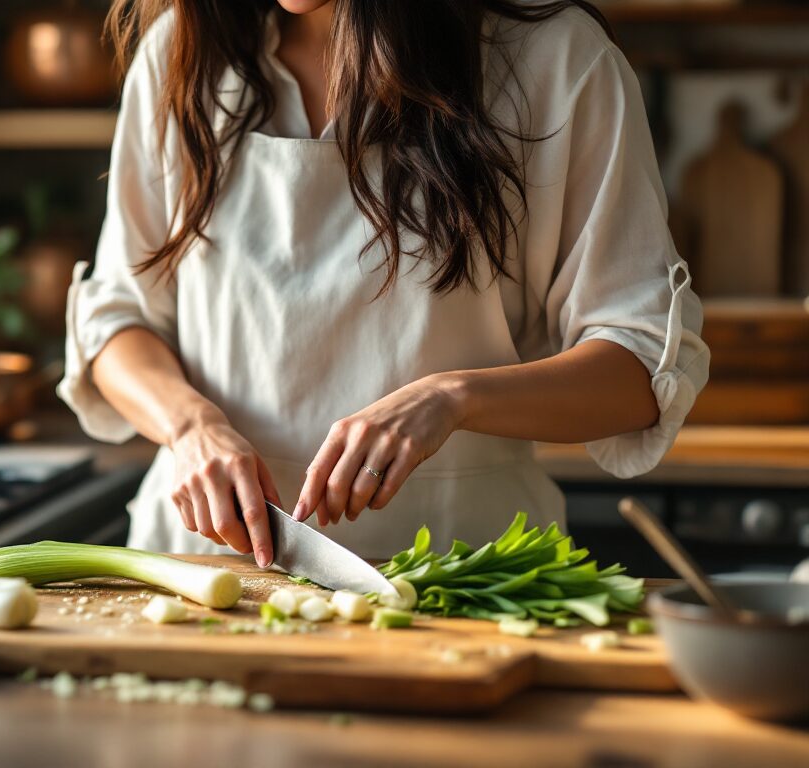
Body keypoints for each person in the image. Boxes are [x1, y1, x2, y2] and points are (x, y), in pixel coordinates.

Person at [58, 0, 710, 567]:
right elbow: (118, 321)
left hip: (466, 575)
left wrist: (451, 398)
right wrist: (190, 424)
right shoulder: (180, 54)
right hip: (204, 573)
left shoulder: (560, 63)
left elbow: (641, 368)